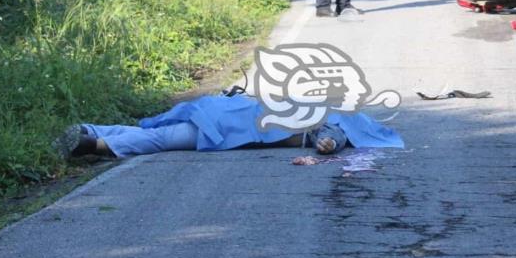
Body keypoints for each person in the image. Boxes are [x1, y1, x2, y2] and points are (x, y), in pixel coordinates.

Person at [53, 93, 403, 159]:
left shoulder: (310, 105)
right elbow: (333, 136)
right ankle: (93, 145)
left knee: (156, 133)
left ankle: (90, 129)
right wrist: (331, 145)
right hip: (226, 125)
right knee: (162, 139)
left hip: (226, 110)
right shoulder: (333, 121)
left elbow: (330, 135)